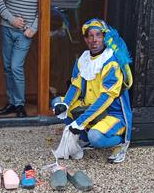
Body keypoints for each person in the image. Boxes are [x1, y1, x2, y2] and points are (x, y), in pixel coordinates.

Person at [52, 19, 134, 164]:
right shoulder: (83, 59)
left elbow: (106, 98)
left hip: (112, 113)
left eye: (98, 35)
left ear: (104, 37)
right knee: (57, 103)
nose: (94, 40)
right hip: (88, 106)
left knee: (95, 137)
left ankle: (121, 142)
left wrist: (81, 121)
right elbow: (75, 86)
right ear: (85, 39)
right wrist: (65, 104)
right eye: (90, 35)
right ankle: (84, 137)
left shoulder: (111, 62)